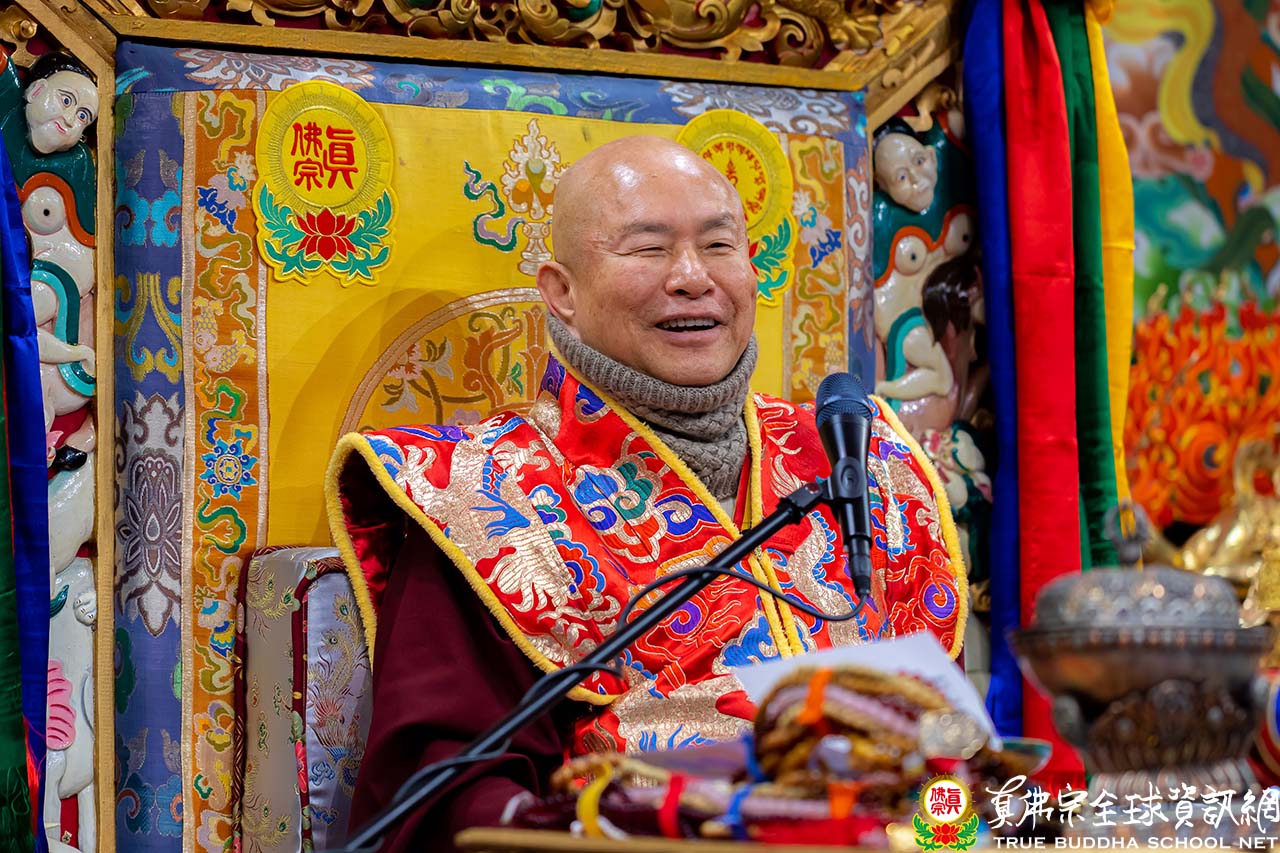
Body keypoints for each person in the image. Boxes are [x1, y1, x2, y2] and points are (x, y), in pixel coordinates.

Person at [328, 135, 968, 851]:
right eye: (649, 249)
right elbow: (449, 802)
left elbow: (948, 751)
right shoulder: (483, 494)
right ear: (562, 292)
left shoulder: (855, 456)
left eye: (719, 245)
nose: (693, 277)